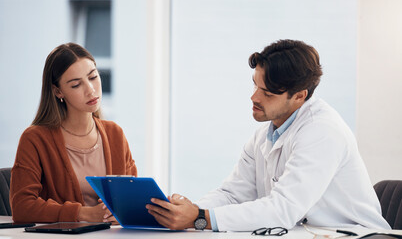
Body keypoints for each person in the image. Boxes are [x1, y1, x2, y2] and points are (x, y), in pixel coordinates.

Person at [146, 39, 391, 231]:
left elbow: (283, 209)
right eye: (255, 85)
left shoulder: (323, 132)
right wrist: (183, 211)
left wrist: (199, 218)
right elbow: (232, 194)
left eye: (267, 93)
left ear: (299, 96)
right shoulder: (265, 133)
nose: (254, 97)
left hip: (354, 234)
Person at [10, 43, 137, 223]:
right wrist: (84, 213)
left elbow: (131, 198)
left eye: (93, 77)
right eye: (76, 85)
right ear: (58, 91)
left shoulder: (114, 133)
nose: (91, 90)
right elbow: (22, 207)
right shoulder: (35, 139)